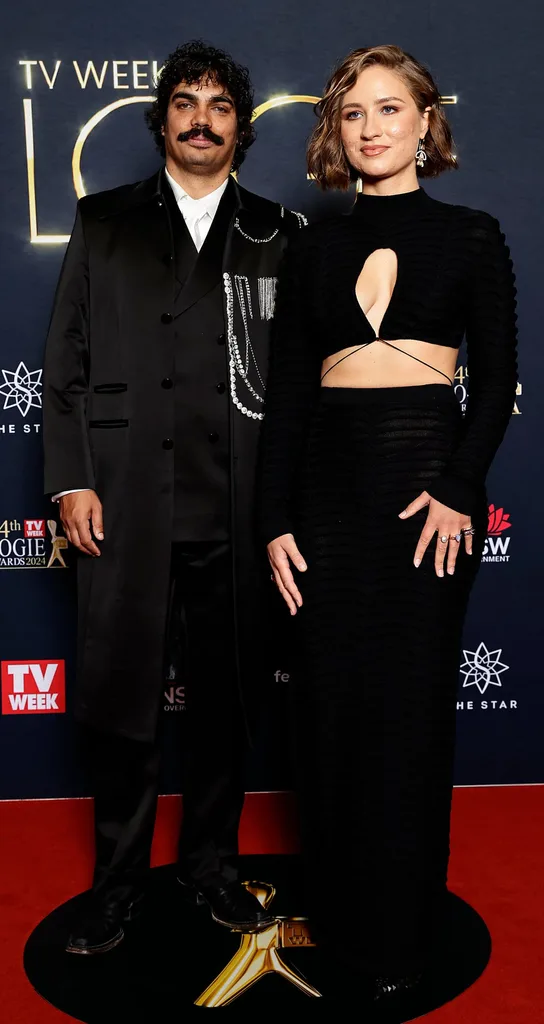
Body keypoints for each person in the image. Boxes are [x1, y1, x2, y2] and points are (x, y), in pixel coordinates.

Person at [259, 44, 517, 1001]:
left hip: (425, 511)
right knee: (329, 719)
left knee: (406, 722)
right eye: (354, 113)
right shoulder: (311, 247)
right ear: (338, 131)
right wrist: (275, 520)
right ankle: (338, 916)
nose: (371, 127)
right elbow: (288, 398)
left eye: (389, 108)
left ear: (424, 123)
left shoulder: (473, 237)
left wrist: (457, 486)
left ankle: (397, 937)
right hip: (328, 504)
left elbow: (493, 383)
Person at [42, 39, 306, 955]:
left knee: (228, 705)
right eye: (186, 102)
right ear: (161, 121)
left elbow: (304, 382)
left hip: (237, 507)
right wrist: (71, 476)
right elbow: (65, 364)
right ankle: (116, 886)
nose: (202, 117)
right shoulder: (104, 219)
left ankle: (210, 869)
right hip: (123, 502)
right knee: (120, 704)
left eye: (221, 104)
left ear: (240, 126)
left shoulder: (279, 231)